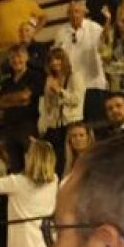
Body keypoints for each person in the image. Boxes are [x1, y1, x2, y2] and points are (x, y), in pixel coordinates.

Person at [56, 0, 108, 122]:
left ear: (84, 13)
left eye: (77, 11)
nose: (74, 15)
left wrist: (108, 22)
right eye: (70, 12)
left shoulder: (94, 28)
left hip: (93, 83)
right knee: (77, 123)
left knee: (96, 121)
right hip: (73, 87)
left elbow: (105, 47)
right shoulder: (61, 32)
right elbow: (57, 56)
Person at [0, 44, 44, 174]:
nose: (16, 60)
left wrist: (9, 100)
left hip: (29, 125)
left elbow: (26, 95)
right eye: (13, 58)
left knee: (32, 164)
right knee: (15, 167)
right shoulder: (7, 81)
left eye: (19, 56)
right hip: (10, 127)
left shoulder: (35, 76)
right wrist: (19, 101)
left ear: (26, 57)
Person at [38, 47, 85, 176]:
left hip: (71, 123)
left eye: (58, 59)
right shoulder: (49, 80)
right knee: (57, 160)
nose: (54, 63)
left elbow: (76, 99)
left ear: (64, 60)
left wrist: (60, 91)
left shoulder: (75, 76)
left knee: (70, 158)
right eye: (51, 60)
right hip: (54, 125)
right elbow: (47, 104)